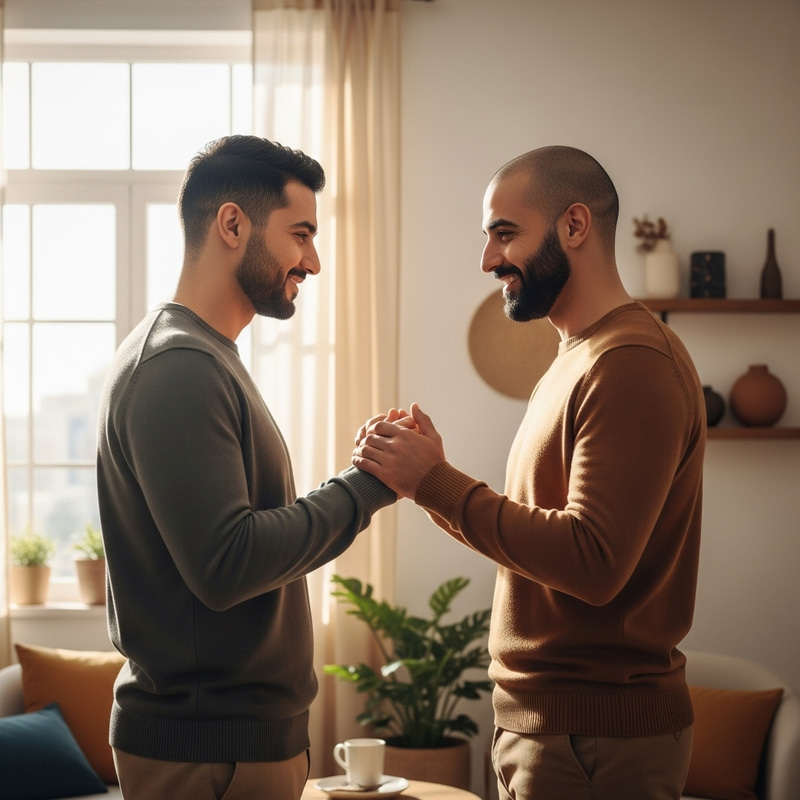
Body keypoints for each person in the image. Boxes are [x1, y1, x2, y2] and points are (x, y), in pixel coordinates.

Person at [353, 146, 705, 800]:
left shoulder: (630, 363)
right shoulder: (578, 357)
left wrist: (437, 482)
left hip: (595, 740)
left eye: (505, 233)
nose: (489, 260)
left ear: (575, 226)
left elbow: (593, 562)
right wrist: (426, 480)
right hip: (561, 734)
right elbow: (542, 548)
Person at [96, 135, 396, 800]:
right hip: (211, 752)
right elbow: (226, 563)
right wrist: (368, 486)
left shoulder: (204, 357)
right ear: (233, 224)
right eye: (301, 234)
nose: (312, 261)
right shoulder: (179, 368)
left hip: (234, 745)